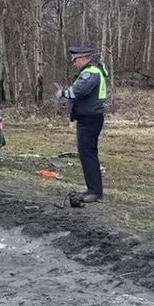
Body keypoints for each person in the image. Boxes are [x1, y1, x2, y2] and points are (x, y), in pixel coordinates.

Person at [56, 45, 109, 203]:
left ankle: (94, 191)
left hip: (90, 119)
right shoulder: (93, 71)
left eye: (75, 60)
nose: (74, 64)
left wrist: (62, 93)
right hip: (90, 117)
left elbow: (78, 91)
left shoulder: (90, 73)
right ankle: (92, 189)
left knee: (88, 154)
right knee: (87, 153)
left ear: (83, 58)